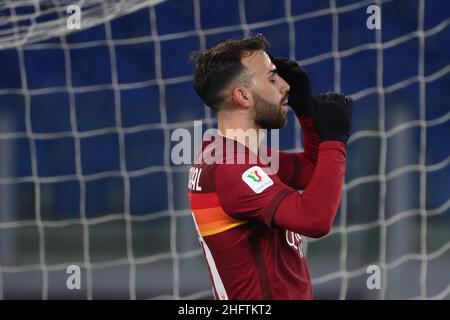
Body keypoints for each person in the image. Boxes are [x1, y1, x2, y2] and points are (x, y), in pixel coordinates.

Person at [187, 34, 352, 300]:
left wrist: (306, 110)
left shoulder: (229, 154)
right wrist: (334, 140)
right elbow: (315, 219)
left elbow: (311, 169)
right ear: (242, 96)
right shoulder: (231, 167)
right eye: (272, 78)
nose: (285, 85)